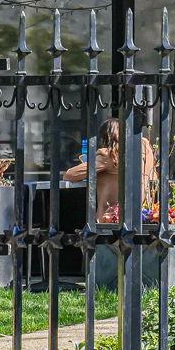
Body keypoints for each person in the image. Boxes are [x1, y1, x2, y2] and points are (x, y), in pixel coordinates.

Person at [60, 118, 161, 289]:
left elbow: (70, 175)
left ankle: (107, 286)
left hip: (111, 217)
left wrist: (88, 161)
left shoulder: (108, 155)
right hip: (143, 212)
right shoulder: (144, 147)